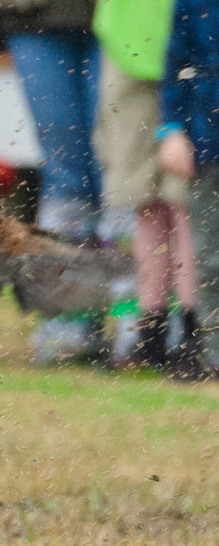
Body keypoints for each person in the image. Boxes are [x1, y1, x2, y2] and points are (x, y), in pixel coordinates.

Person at [92, 0, 206, 380]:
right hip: (130, 39)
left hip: (199, 40)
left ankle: (196, 334)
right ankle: (151, 333)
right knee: (145, 201)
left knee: (188, 204)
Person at [0, 0, 107, 363]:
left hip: (121, 16)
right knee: (65, 174)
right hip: (34, 14)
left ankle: (140, 325)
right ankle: (65, 324)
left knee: (116, 170)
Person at [158, 0, 219, 376]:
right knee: (211, 259)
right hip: (208, 141)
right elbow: (176, 63)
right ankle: (213, 353)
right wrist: (173, 129)